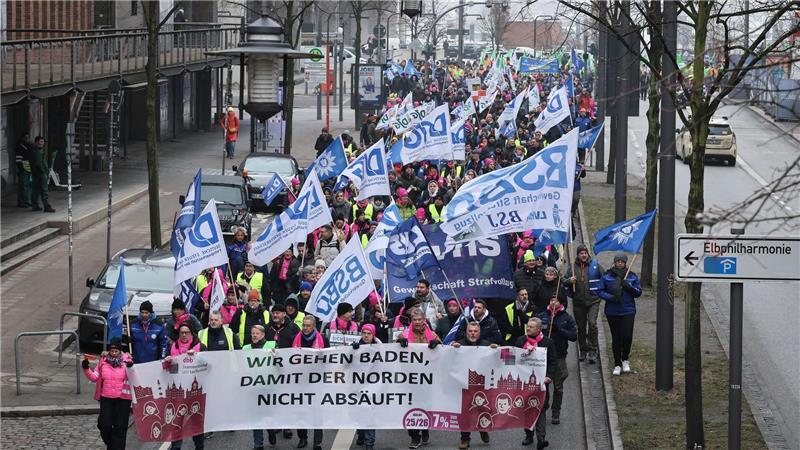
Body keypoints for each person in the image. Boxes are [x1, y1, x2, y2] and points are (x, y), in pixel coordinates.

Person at [397, 310, 441, 449]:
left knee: (425, 405)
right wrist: (399, 342)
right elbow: (391, 350)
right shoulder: (405, 334)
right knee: (410, 406)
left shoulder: (432, 334)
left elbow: (444, 350)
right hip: (409, 378)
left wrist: (436, 344)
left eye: (419, 319)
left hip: (427, 378)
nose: (417, 322)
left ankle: (425, 428)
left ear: (424, 320)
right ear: (411, 321)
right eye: (414, 320)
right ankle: (414, 437)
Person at [82, 337, 134, 450]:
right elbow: (95, 377)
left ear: (120, 351)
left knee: (120, 428)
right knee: (103, 425)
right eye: (112, 351)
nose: (114, 353)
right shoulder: (103, 361)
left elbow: (134, 378)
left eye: (116, 351)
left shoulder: (127, 361)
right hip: (106, 398)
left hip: (122, 399)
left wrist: (131, 368)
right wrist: (86, 368)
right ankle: (112, 445)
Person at [452, 321, 497, 449]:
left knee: (482, 408)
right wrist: (452, 349)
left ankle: (483, 430)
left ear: (479, 332)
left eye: (475, 331)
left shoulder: (487, 345)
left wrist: (496, 350)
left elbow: (500, 360)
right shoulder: (458, 344)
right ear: (466, 332)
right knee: (465, 413)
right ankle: (465, 439)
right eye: (470, 331)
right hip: (464, 385)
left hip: (481, 386)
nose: (472, 333)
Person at [597, 253, 642, 375]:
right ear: (614, 262)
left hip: (628, 310)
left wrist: (628, 286)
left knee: (627, 336)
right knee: (616, 337)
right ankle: (617, 363)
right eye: (618, 261)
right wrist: (612, 297)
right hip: (612, 311)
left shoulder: (631, 276)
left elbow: (638, 292)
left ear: (625, 263)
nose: (620, 263)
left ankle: (625, 359)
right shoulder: (607, 276)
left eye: (622, 261)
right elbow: (600, 291)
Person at [515, 318, 556, 448]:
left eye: (531, 327)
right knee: (528, 409)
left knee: (541, 409)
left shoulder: (547, 342)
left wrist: (549, 376)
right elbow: (511, 357)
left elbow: (553, 362)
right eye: (528, 327)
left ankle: (541, 439)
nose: (528, 329)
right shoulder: (521, 341)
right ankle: (529, 435)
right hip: (524, 383)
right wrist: (524, 353)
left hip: (541, 383)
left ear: (539, 329)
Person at [164, 323, 206, 449]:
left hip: (195, 392)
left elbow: (210, 365)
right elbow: (164, 367)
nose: (183, 335)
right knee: (177, 421)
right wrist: (167, 362)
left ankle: (199, 446)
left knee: (196, 422)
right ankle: (176, 447)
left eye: (186, 332)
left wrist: (197, 358)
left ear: (191, 333)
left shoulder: (200, 346)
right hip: (178, 391)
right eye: (181, 332)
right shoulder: (172, 346)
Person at [537, 296, 577, 425]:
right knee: (544, 385)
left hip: (559, 356)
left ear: (560, 303)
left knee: (558, 387)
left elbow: (573, 336)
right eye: (551, 300)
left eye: (556, 300)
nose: (553, 302)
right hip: (544, 356)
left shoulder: (566, 318)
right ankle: (545, 403)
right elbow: (534, 333)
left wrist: (560, 330)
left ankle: (556, 411)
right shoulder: (542, 316)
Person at [564, 244, 604, 363]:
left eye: (585, 253)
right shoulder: (572, 267)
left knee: (592, 324)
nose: (584, 255)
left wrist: (602, 292)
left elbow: (605, 277)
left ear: (588, 254)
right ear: (578, 255)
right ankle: (583, 349)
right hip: (578, 301)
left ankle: (592, 349)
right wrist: (569, 281)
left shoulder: (595, 265)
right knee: (581, 327)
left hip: (593, 301)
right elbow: (563, 280)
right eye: (581, 253)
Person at [293, 316, 326, 450]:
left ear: (313, 326)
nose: (305, 328)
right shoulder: (296, 339)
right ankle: (302, 437)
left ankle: (317, 442)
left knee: (317, 412)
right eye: (304, 325)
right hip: (301, 380)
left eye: (308, 326)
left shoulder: (323, 339)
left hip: (317, 381)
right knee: (302, 411)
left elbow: (330, 358)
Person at [351, 324, 381, 450]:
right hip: (358, 384)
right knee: (359, 411)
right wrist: (353, 351)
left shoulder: (380, 348)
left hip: (373, 385)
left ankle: (369, 442)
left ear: (373, 335)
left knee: (369, 413)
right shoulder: (355, 346)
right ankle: (361, 434)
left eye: (369, 333)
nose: (366, 335)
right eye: (364, 333)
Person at [29, 136, 54, 212]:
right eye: (40, 142)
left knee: (35, 190)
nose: (42, 143)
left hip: (36, 173)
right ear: (36, 142)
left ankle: (35, 205)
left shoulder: (35, 150)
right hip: (40, 173)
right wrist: (44, 172)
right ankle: (46, 206)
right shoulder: (37, 151)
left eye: (42, 142)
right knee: (44, 190)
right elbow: (39, 163)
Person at [15, 132, 32, 208]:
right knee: (23, 186)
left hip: (28, 167)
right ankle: (21, 202)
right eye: (26, 137)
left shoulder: (27, 146)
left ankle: (25, 201)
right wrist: (21, 168)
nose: (27, 139)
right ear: (22, 138)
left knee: (27, 185)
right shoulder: (20, 146)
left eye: (28, 137)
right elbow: (18, 159)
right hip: (23, 168)